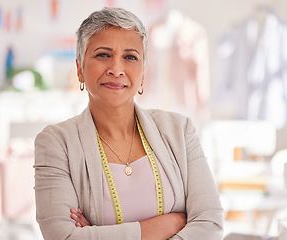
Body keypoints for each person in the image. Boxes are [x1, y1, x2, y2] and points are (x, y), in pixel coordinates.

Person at [33, 7, 223, 240]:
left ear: (143, 73)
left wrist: (98, 233)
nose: (116, 69)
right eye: (103, 54)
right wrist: (169, 224)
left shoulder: (179, 131)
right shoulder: (55, 143)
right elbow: (63, 236)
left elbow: (210, 222)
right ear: (80, 69)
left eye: (130, 57)